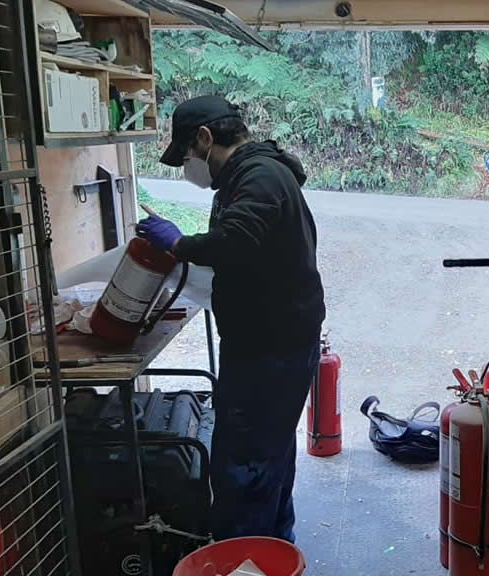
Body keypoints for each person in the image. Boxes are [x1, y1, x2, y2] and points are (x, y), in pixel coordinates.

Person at [136, 95, 325, 543]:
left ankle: (244, 559)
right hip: (273, 339)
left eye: (188, 155)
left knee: (244, 463)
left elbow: (234, 242)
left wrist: (179, 245)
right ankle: (274, 548)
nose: (189, 167)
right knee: (269, 454)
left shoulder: (259, 176)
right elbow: (250, 252)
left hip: (270, 347)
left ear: (206, 137)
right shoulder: (255, 175)